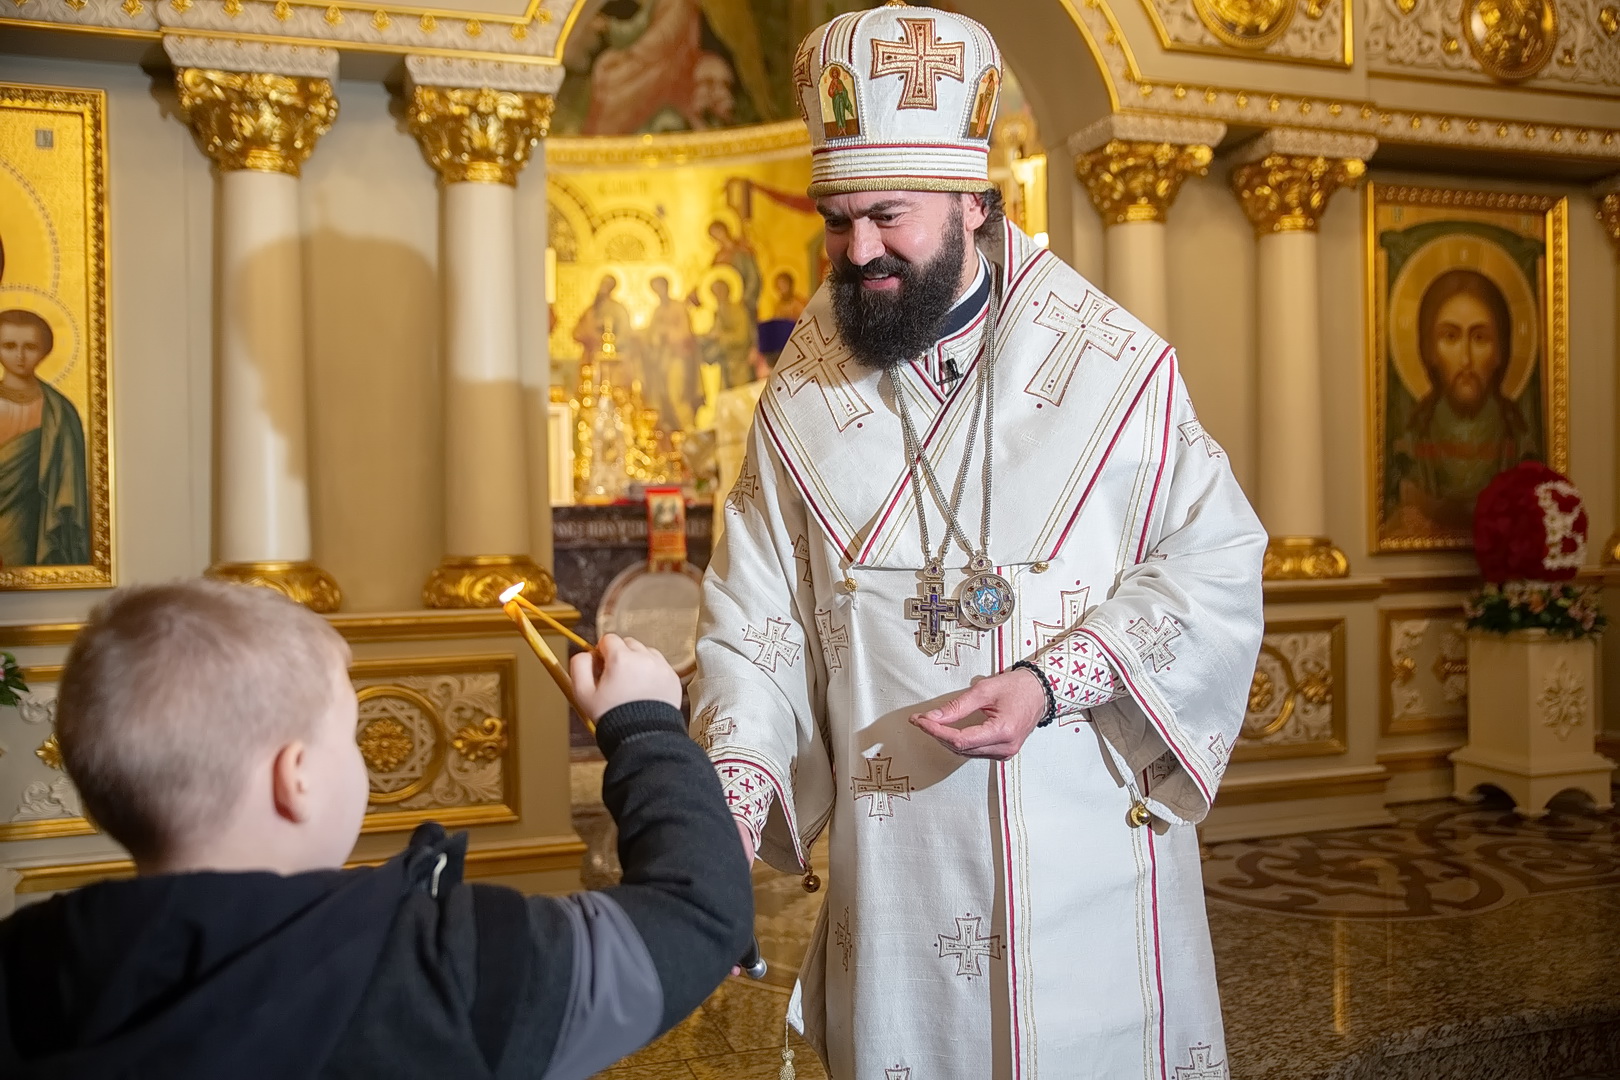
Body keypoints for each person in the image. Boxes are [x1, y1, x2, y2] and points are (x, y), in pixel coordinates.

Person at [690, 7, 1265, 1079]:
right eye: (836, 221)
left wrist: (1054, 682)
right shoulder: (797, 401)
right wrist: (728, 808)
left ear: (973, 202)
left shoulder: (1115, 368)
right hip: (897, 884)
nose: (857, 253)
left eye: (889, 217)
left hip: (1090, 856)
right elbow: (752, 626)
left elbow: (1214, 563)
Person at [0, 580, 754, 1078]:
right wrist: (646, 726)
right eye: (349, 731)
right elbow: (697, 915)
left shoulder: (26, 967)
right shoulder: (444, 964)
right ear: (295, 777)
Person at [1390, 267, 1535, 536]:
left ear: (1500, 350)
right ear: (1429, 350)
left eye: (1480, 338)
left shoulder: (1519, 437)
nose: (1466, 360)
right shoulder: (1411, 440)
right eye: (1450, 337)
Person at [0, 308, 89, 567]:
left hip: (32, 526)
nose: (19, 356)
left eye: (29, 346)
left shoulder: (60, 411)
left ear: (45, 350)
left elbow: (68, 484)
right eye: (8, 345)